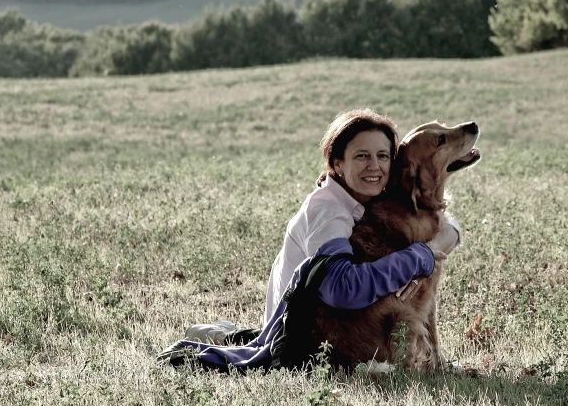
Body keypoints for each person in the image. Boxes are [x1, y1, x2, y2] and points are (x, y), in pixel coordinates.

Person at [158, 109, 460, 371]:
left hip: (335, 320)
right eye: (362, 156)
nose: (375, 166)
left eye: (383, 156)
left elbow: (436, 218)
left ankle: (229, 334)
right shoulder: (328, 214)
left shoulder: (371, 194)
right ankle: (233, 337)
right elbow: (343, 290)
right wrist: (420, 256)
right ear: (337, 163)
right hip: (298, 329)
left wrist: (444, 238)